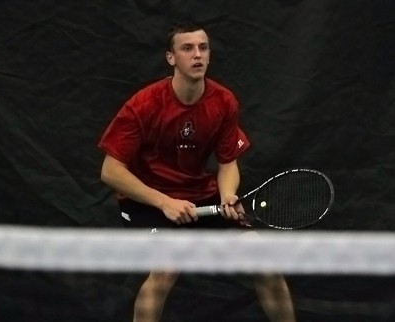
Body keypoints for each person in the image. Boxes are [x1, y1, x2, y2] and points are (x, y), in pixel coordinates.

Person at [98, 21, 296, 322]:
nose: (197, 55)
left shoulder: (223, 101)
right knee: (166, 269)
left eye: (203, 48)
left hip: (199, 197)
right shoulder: (144, 104)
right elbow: (111, 171)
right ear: (171, 58)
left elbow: (228, 163)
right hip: (145, 201)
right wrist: (164, 202)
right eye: (187, 48)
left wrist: (228, 195)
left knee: (265, 261)